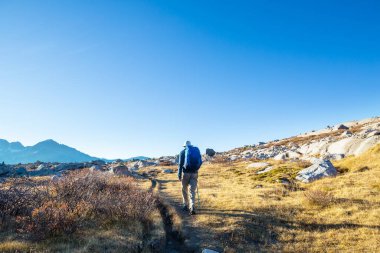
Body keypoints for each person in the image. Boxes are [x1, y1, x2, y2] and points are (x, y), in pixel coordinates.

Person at [178, 141, 202, 215]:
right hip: (194, 173)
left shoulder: (182, 152)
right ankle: (192, 207)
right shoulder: (195, 150)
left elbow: (180, 164)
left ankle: (185, 205)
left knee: (184, 189)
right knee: (192, 190)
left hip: (185, 173)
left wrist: (179, 174)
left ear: (185, 146)